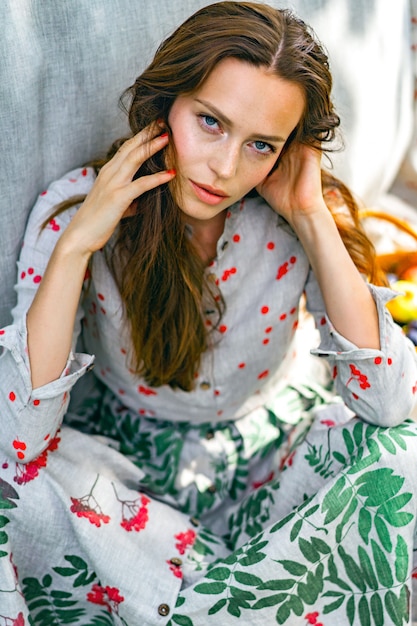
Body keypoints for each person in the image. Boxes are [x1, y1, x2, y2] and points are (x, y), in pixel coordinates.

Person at [0, 1, 416, 624]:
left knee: (404, 456)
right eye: (211, 122)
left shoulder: (296, 215)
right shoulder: (82, 209)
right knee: (12, 488)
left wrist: (309, 214)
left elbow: (390, 402)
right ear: (166, 101)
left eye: (261, 144)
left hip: (274, 463)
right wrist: (80, 244)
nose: (226, 168)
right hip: (124, 484)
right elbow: (18, 438)